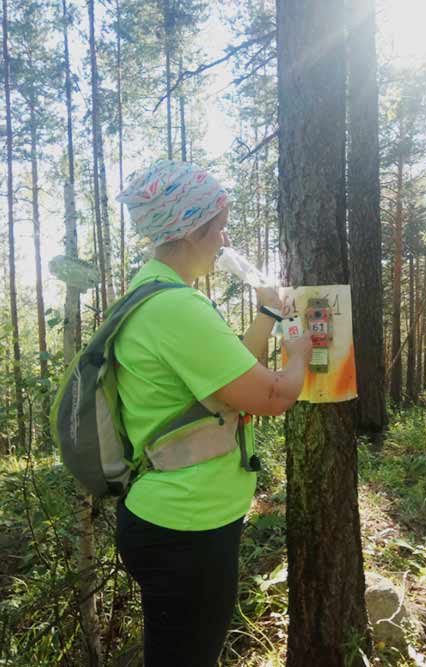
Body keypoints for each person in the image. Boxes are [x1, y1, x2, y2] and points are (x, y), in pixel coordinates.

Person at [114, 160, 312, 667]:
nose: (224, 237)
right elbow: (271, 397)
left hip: (179, 520)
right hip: (185, 528)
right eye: (219, 224)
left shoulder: (155, 293)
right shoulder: (176, 308)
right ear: (190, 228)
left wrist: (268, 313)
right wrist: (300, 351)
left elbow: (229, 385)